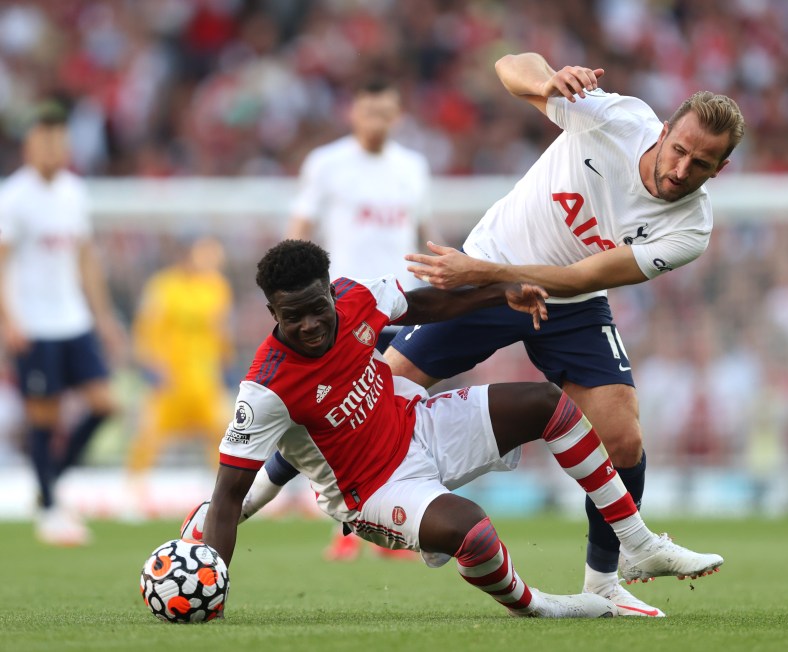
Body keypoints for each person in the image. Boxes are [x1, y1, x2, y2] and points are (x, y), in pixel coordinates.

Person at [249, 52, 742, 616]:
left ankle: (606, 579)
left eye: (701, 164)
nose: (681, 170)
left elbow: (583, 276)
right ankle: (252, 495)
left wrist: (486, 276)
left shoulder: (691, 228)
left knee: (623, 437)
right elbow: (510, 65)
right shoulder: (617, 119)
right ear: (664, 130)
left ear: (719, 170)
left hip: (565, 299)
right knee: (373, 386)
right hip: (495, 260)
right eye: (679, 150)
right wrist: (547, 80)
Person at [190, 239, 721, 619]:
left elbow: (422, 303)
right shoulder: (265, 390)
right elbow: (227, 495)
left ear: (331, 292)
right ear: (270, 312)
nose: (309, 325)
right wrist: (211, 585)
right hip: (374, 491)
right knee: (474, 532)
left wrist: (498, 294)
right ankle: (539, 607)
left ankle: (635, 541)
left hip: (419, 425)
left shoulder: (355, 297)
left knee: (543, 402)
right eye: (292, 317)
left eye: (316, 308)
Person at [285, 77, 432, 560]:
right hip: (343, 313)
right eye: (369, 112)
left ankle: (394, 526)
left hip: (403, 306)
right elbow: (300, 231)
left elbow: (425, 234)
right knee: (343, 419)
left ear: (398, 115)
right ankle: (344, 524)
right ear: (353, 112)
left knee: (398, 416)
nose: (377, 122)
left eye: (385, 113)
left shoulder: (413, 168)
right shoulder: (327, 165)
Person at [0, 101, 125, 546]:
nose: (52, 149)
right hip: (33, 324)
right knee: (44, 417)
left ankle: (49, 483)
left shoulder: (74, 191)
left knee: (106, 405)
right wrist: (9, 320)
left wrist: (104, 316)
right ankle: (51, 508)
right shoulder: (13, 197)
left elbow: (86, 259)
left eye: (59, 140)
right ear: (30, 146)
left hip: (73, 318)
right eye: (44, 140)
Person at [124, 235, 233, 516]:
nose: (212, 260)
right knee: (149, 436)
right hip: (170, 379)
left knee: (224, 436)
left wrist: (225, 364)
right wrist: (152, 365)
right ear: (188, 254)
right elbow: (144, 329)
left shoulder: (217, 287)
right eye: (206, 253)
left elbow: (221, 332)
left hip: (205, 380)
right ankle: (133, 497)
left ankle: (225, 498)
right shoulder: (163, 286)